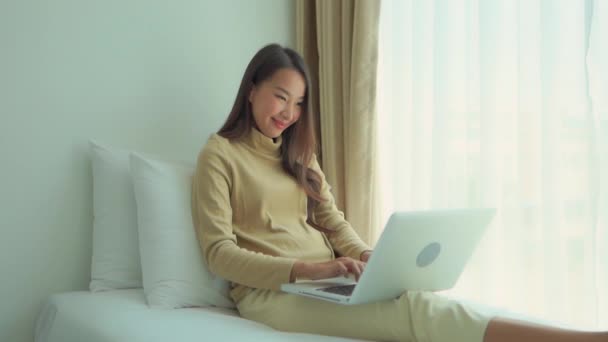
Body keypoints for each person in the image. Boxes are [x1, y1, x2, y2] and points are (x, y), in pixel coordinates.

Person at [191, 43, 608, 342]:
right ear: (251, 90)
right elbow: (219, 254)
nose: (288, 113)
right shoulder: (219, 155)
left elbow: (332, 221)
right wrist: (305, 270)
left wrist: (369, 256)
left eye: (299, 104)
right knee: (416, 312)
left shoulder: (299, 154)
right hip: (271, 295)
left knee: (414, 296)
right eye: (280, 97)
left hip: (324, 280)